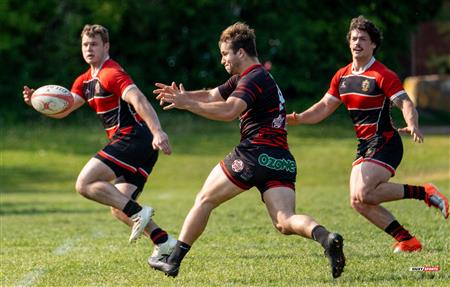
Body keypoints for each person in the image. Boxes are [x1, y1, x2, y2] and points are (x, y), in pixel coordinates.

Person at [149, 22, 345, 279]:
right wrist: (184, 96)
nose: (222, 60)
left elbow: (229, 110)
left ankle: (172, 261)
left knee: (205, 199)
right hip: (281, 158)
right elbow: (211, 95)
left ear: (241, 52)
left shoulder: (254, 78)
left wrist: (188, 105)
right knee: (285, 220)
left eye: (225, 54)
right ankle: (326, 238)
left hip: (254, 154)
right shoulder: (252, 78)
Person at [287, 16, 448, 253]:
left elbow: (405, 103)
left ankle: (426, 193)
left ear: (373, 44)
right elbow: (323, 107)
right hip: (365, 146)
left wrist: (412, 124)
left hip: (386, 142)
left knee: (364, 192)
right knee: (358, 201)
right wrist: (299, 118)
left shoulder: (382, 74)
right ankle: (407, 240)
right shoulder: (342, 76)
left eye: (363, 38)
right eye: (353, 38)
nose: (357, 43)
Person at [23, 24, 177, 261]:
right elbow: (64, 109)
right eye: (85, 44)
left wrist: (158, 131)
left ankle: (139, 212)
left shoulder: (111, 73)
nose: (89, 48)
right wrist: (38, 102)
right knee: (118, 206)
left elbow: (139, 100)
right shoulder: (84, 80)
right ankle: (164, 242)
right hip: (137, 144)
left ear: (106, 46)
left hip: (133, 137)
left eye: (94, 44)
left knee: (85, 184)